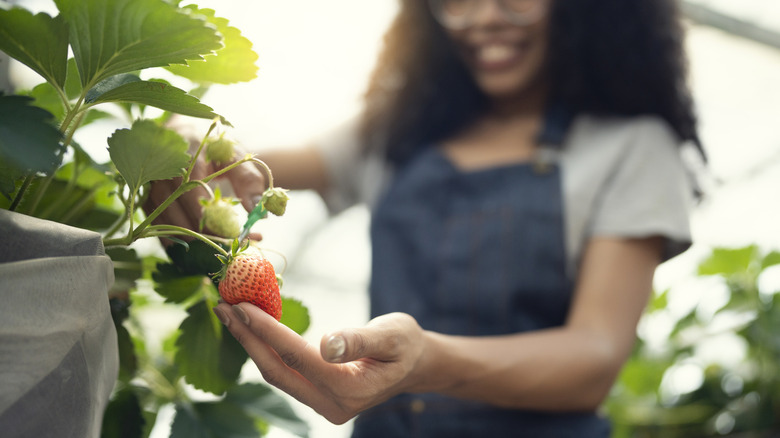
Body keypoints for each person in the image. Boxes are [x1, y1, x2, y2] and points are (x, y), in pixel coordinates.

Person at [151, 0, 704, 436]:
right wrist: (187, 146)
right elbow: (244, 169)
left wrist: (424, 361)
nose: (485, 16)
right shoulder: (396, 131)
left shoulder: (632, 146)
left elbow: (593, 358)